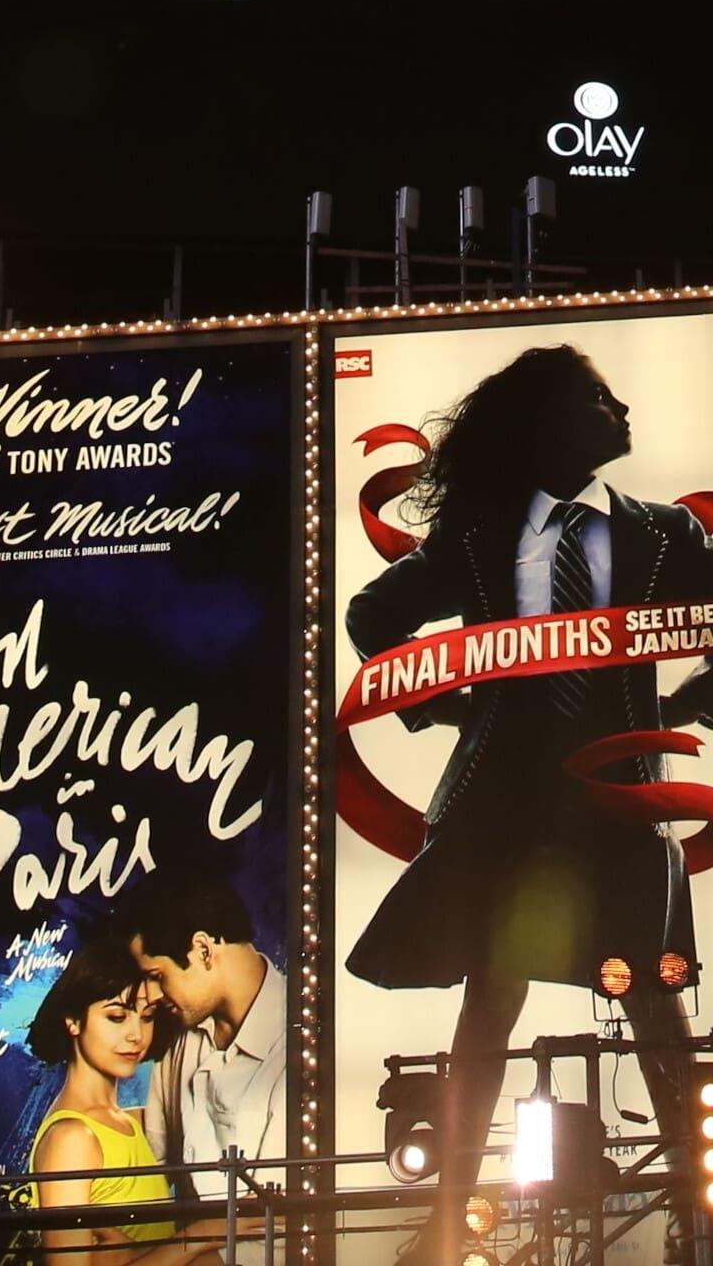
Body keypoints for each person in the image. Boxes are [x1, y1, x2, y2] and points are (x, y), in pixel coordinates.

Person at [343, 342, 713, 1251]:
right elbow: (371, 620)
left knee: (653, 1003)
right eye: (597, 396)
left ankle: (701, 1213)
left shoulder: (666, 534)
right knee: (490, 1000)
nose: (620, 409)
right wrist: (451, 703)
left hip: (621, 805)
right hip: (505, 809)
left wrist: (678, 708)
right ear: (548, 420)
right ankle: (447, 1214)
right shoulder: (477, 538)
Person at [25, 937, 217, 1254]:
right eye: (117, 1017)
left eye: (147, 1016)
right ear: (73, 1020)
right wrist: (197, 1239)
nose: (136, 1035)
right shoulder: (73, 1139)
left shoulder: (128, 1121)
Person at [124, 874, 287, 1200]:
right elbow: (153, 1174)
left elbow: (272, 1234)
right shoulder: (179, 1035)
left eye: (157, 976)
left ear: (202, 950)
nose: (151, 995)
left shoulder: (302, 1039)